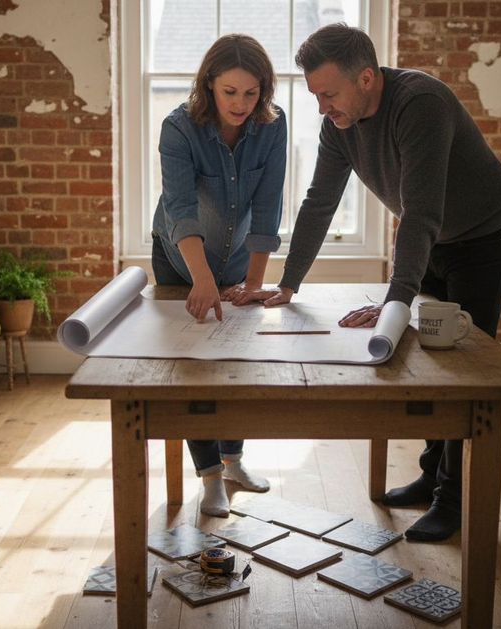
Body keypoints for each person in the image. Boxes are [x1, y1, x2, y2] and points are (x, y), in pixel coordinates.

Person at [235, 23, 501, 542]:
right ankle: (433, 473)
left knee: (462, 371)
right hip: (432, 238)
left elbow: (420, 214)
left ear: (366, 78)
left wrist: (396, 299)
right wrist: (288, 284)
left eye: (328, 93)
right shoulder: (340, 123)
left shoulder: (422, 104)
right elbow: (320, 203)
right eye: (315, 95)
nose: (321, 106)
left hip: (482, 237)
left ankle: (452, 501)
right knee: (429, 362)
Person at [152, 34, 288, 517]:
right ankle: (209, 478)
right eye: (230, 91)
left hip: (235, 261)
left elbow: (269, 208)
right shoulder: (179, 128)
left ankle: (233, 461)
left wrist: (253, 284)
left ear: (264, 91)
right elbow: (181, 210)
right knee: (197, 368)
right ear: (209, 84)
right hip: (181, 259)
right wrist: (201, 279)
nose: (240, 104)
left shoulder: (273, 126)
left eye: (251, 93)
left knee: (239, 362)